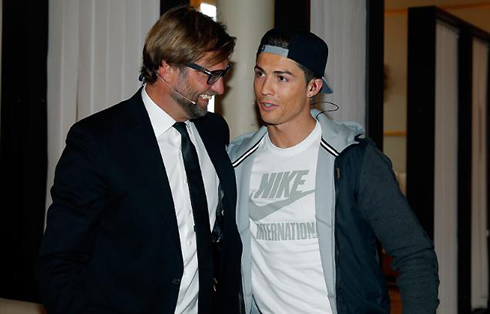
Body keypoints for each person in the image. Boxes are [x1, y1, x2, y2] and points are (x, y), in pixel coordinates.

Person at [37, 5, 243, 314]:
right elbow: (60, 265)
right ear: (167, 68)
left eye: (222, 73)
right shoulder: (97, 141)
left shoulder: (214, 132)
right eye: (210, 74)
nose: (219, 88)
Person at [227, 28, 439, 314]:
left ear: (313, 88)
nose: (266, 88)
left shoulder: (353, 160)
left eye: (282, 78)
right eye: (260, 73)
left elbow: (414, 254)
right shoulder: (238, 161)